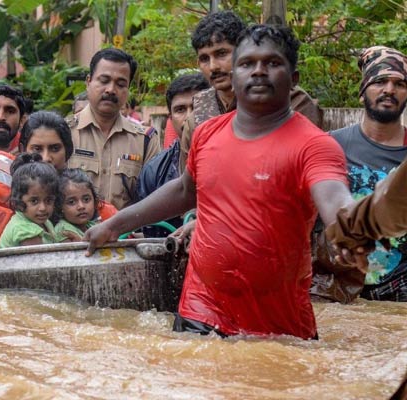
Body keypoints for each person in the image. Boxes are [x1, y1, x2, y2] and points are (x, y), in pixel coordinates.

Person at [84, 24, 355, 340]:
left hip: (278, 328)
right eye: (247, 64)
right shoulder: (207, 132)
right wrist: (115, 225)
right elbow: (185, 190)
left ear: (293, 79)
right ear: (235, 75)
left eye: (272, 63)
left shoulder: (314, 144)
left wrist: (352, 229)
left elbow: (335, 199)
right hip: (198, 311)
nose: (258, 72)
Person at [312, 46, 407, 303]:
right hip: (336, 293)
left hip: (399, 297)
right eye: (379, 81)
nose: (389, 89)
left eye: (399, 83)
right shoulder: (328, 145)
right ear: (363, 91)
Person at [179, 10, 322, 174]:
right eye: (205, 58)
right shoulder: (197, 118)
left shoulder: (291, 101)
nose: (213, 67)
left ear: (244, 53)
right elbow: (188, 188)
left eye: (221, 53)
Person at [68, 48, 160, 210]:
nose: (111, 89)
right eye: (104, 80)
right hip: (73, 234)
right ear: (88, 82)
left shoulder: (145, 140)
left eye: (120, 84)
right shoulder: (64, 133)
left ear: (128, 90)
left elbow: (154, 199)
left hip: (125, 234)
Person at [136, 74, 209, 237]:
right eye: (180, 109)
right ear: (170, 117)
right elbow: (150, 235)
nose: (189, 117)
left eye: (196, 107)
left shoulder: (236, 157)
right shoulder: (154, 171)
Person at [0, 153, 60, 248]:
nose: (43, 208)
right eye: (34, 201)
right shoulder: (24, 230)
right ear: (18, 201)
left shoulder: (44, 222)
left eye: (49, 200)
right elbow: (42, 261)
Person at [55, 168, 100, 241]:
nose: (81, 206)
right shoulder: (64, 231)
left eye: (86, 199)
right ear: (60, 206)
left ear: (95, 201)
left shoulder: (91, 225)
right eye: (72, 202)